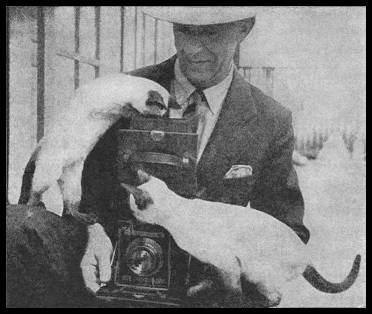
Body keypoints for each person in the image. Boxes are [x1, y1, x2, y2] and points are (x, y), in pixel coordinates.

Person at [7, 6, 310, 307]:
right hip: (114, 287)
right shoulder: (123, 91)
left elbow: (286, 230)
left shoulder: (271, 120)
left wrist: (242, 277)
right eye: (184, 30)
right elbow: (86, 189)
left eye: (210, 33)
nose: (193, 48)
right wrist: (91, 230)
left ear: (244, 28)